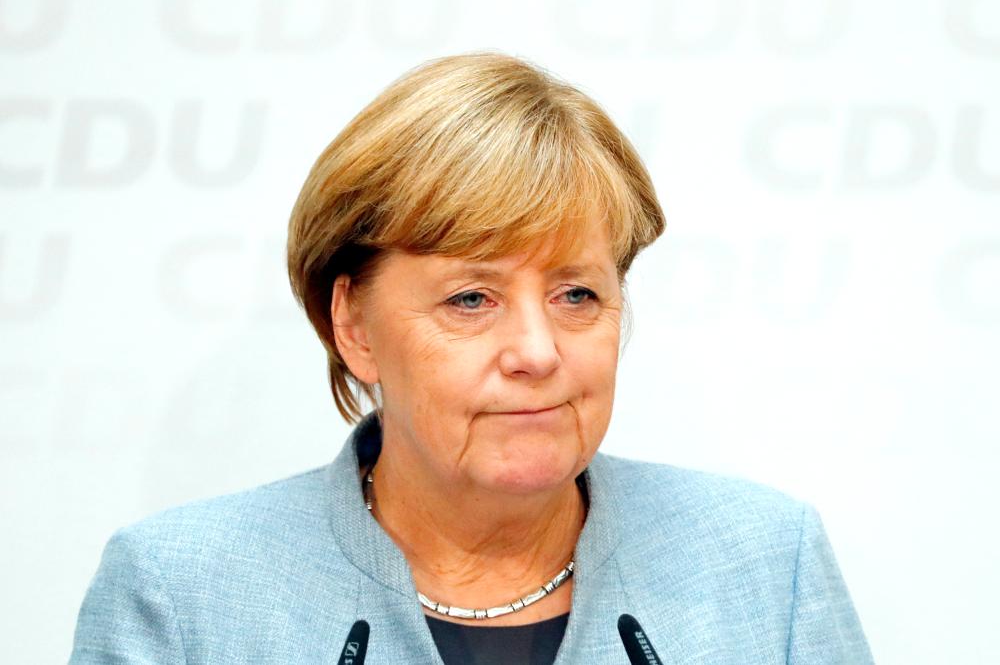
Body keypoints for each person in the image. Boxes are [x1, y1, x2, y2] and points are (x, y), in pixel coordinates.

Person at [70, 52, 874, 664]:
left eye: (576, 296)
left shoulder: (767, 564)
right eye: (471, 300)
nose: (536, 352)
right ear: (353, 324)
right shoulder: (181, 595)